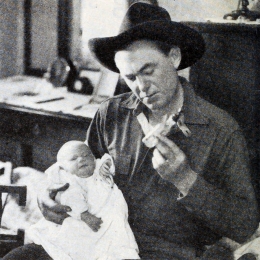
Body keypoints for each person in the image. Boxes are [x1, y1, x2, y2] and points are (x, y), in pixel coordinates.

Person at [4, 2, 259, 260]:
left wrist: (185, 179)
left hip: (165, 254)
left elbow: (244, 225)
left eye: (148, 71)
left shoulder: (222, 130)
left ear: (174, 57)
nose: (142, 87)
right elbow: (78, 176)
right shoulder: (111, 114)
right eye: (130, 77)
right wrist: (48, 198)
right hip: (95, 242)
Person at [26, 140, 140, 260]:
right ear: (63, 167)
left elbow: (107, 159)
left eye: (86, 155)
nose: (82, 159)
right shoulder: (70, 180)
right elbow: (72, 200)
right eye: (73, 159)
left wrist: (106, 165)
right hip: (88, 221)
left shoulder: (97, 170)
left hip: (112, 217)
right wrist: (84, 215)